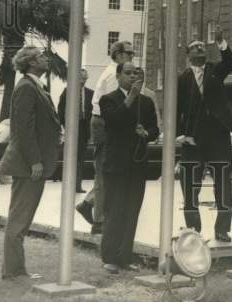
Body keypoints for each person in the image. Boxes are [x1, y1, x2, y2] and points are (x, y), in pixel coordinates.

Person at [0, 46, 61, 280]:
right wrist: (35, 161)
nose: (45, 59)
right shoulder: (26, 87)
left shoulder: (33, 86)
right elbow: (23, 129)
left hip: (32, 163)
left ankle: (14, 270)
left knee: (21, 219)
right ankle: (14, 271)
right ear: (31, 62)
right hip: (28, 165)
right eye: (41, 56)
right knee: (19, 219)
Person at [176, 29, 232, 243]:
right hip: (192, 140)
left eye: (202, 45)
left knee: (223, 183)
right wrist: (180, 135)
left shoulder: (215, 71)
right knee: (189, 184)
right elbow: (175, 109)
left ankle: (222, 229)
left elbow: (230, 62)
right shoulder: (182, 79)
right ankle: (193, 228)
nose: (200, 48)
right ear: (188, 54)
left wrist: (221, 42)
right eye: (194, 46)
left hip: (218, 136)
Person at [99, 60, 159, 274]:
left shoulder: (147, 102)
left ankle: (125, 256)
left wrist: (147, 133)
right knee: (115, 210)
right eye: (128, 73)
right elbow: (114, 121)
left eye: (136, 73)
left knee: (132, 210)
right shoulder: (108, 100)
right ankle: (110, 256)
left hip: (137, 163)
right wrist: (132, 96)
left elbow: (155, 129)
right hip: (116, 165)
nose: (133, 77)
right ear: (118, 76)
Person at [77, 39, 134, 235]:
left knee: (107, 172)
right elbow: (113, 108)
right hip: (104, 124)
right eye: (128, 53)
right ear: (117, 55)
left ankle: (89, 204)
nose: (131, 57)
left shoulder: (114, 72)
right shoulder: (113, 76)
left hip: (103, 123)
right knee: (104, 173)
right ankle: (99, 221)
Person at [57, 67, 93, 192]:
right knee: (71, 157)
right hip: (72, 127)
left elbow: (93, 112)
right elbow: (60, 110)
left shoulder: (90, 93)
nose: (83, 80)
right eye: (81, 77)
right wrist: (66, 125)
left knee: (81, 158)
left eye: (85, 77)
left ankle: (77, 185)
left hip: (84, 128)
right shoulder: (68, 91)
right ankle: (68, 185)